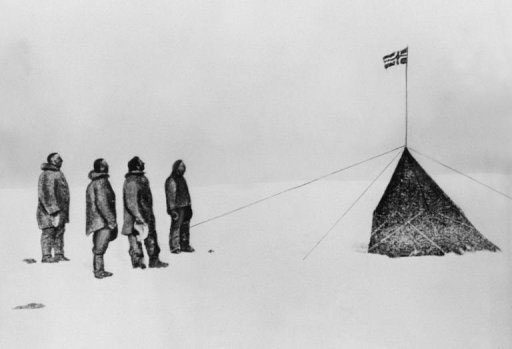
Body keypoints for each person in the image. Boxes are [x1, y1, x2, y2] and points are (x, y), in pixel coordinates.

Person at [121, 156, 168, 269]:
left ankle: (154, 261)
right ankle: (138, 265)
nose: (143, 164)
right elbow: (131, 203)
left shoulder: (143, 179)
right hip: (134, 220)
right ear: (137, 165)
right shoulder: (131, 181)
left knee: (151, 239)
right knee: (135, 243)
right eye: (141, 163)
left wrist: (146, 217)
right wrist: (139, 217)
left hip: (146, 216)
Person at [86, 159, 117, 279]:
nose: (108, 165)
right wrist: (111, 221)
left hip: (98, 221)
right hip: (102, 222)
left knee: (99, 247)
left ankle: (99, 270)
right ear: (102, 168)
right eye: (105, 164)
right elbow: (102, 204)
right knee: (100, 248)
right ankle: (98, 271)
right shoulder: (100, 182)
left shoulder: (96, 182)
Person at [36, 153, 71, 263]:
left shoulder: (59, 173)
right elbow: (46, 194)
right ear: (52, 160)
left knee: (59, 232)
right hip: (48, 213)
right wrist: (54, 211)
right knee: (48, 232)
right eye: (58, 158)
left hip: (60, 212)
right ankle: (46, 256)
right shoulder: (47, 174)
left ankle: (59, 254)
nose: (61, 160)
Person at [165, 160, 195, 254]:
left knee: (185, 227)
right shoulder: (171, 180)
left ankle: (185, 245)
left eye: (183, 166)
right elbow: (171, 196)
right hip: (178, 208)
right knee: (176, 227)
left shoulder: (182, 179)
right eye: (180, 166)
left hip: (186, 206)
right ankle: (174, 247)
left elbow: (186, 193)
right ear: (176, 167)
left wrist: (189, 205)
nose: (182, 168)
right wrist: (172, 210)